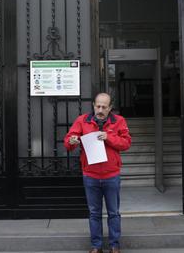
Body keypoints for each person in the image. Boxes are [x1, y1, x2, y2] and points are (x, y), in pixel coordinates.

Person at [64, 93, 132, 253]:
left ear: (110, 108)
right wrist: (71, 141)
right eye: (98, 106)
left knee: (113, 213)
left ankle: (114, 245)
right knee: (94, 213)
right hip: (91, 175)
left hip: (111, 175)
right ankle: (96, 246)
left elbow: (126, 143)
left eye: (104, 107)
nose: (100, 109)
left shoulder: (119, 121)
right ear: (94, 105)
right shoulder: (82, 120)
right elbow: (68, 142)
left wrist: (109, 137)